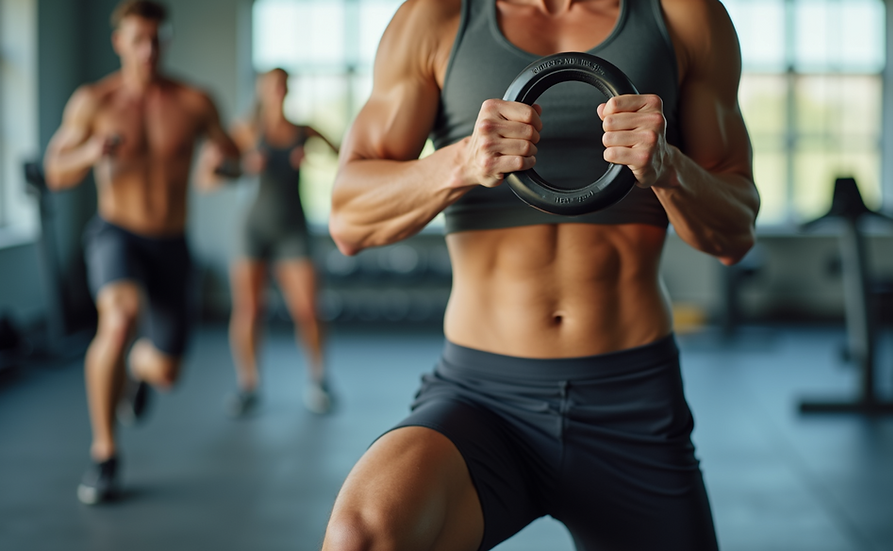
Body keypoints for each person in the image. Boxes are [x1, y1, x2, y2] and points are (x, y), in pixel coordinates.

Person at [323, 0, 759, 549]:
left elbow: (735, 231)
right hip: (483, 399)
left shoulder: (683, 15)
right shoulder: (435, 18)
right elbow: (348, 220)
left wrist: (668, 167)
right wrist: (460, 162)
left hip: (632, 402)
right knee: (363, 535)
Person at [43, 0, 240, 505]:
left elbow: (232, 162)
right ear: (119, 43)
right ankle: (105, 453)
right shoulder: (95, 102)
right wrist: (91, 152)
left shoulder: (195, 102)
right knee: (120, 316)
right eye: (137, 40)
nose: (148, 50)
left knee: (168, 372)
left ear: (166, 40)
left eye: (157, 39)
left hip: (171, 244)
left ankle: (136, 369)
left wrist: (224, 164)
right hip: (117, 234)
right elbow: (54, 171)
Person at [218, 68, 340, 417]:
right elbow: (217, 171)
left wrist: (313, 158)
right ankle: (248, 385)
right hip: (253, 229)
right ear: (261, 89)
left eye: (283, 84)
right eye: (272, 85)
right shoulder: (246, 130)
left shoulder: (302, 130)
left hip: (292, 227)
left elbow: (344, 153)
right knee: (249, 309)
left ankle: (319, 381)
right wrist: (243, 166)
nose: (278, 90)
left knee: (308, 309)